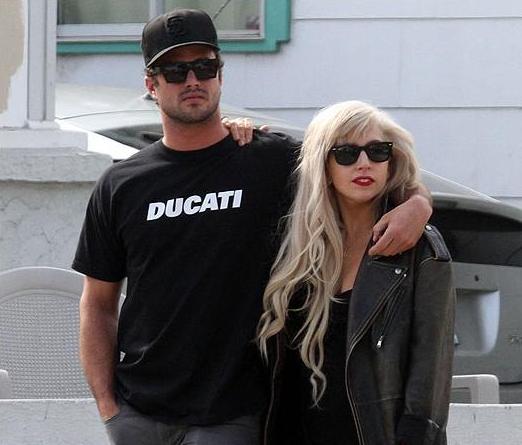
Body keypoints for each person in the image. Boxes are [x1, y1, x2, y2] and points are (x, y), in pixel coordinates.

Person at [73, 9, 433, 445]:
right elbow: (98, 304)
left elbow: (356, 165)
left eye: (205, 67)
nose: (193, 80)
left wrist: (417, 204)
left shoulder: (271, 160)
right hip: (140, 414)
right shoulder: (120, 184)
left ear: (221, 75)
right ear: (152, 84)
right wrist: (108, 407)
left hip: (232, 415)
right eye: (176, 71)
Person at [258, 100, 455, 445]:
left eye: (377, 151)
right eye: (346, 153)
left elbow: (430, 376)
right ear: (324, 166)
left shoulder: (419, 250)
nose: (364, 163)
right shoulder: (296, 248)